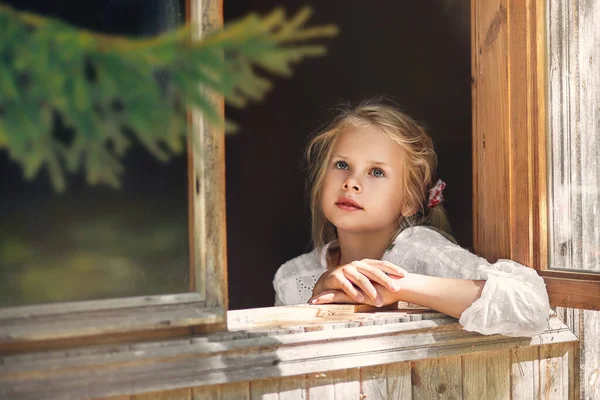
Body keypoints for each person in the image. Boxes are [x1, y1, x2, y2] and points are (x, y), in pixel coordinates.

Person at [272, 98, 550, 337]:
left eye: (376, 172)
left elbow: (532, 306)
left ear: (408, 201)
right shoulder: (292, 276)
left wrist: (398, 287)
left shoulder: (420, 252)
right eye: (342, 165)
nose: (351, 183)